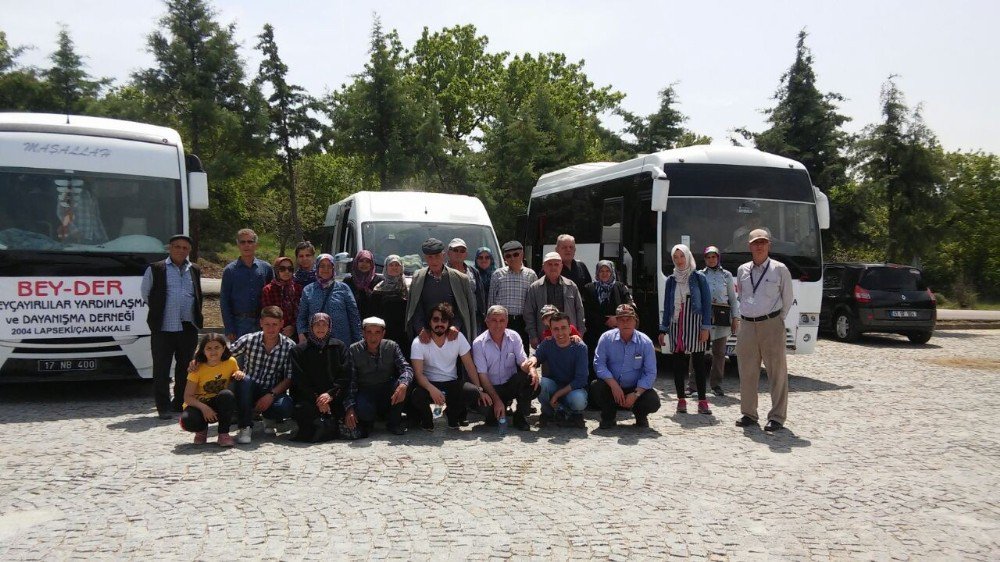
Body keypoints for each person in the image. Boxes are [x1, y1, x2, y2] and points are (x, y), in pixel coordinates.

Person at [734, 229, 794, 432]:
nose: (759, 246)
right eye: (755, 243)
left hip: (771, 324)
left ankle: (777, 416)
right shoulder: (742, 270)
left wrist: (776, 320)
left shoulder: (780, 269)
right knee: (747, 371)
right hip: (747, 325)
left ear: (769, 245)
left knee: (776, 372)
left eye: (763, 242)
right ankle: (749, 413)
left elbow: (787, 299)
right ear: (749, 246)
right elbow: (741, 296)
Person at [141, 233, 204, 418]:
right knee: (161, 368)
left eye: (185, 248)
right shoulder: (156, 269)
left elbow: (197, 294)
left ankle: (180, 403)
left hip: (188, 326)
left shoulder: (194, 269)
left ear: (189, 251)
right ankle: (163, 407)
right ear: (170, 248)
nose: (181, 250)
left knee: (186, 367)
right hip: (163, 327)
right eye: (177, 246)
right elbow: (146, 294)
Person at [409, 303, 490, 431]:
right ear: (429, 322)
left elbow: (469, 366)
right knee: (416, 394)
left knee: (473, 392)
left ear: (449, 323)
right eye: (435, 319)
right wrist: (432, 389)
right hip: (428, 383)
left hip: (451, 382)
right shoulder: (419, 342)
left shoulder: (458, 338)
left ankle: (451, 414)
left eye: (444, 320)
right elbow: (418, 374)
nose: (440, 324)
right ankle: (427, 418)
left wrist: (480, 389)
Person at [658, 244, 714, 415]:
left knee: (698, 363)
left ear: (688, 257)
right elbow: (668, 305)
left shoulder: (699, 278)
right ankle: (681, 399)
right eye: (676, 257)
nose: (679, 260)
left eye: (682, 256)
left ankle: (702, 401)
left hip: (695, 322)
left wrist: (706, 327)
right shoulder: (671, 280)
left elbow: (706, 304)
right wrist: (663, 329)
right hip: (677, 324)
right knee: (678, 364)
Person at [230, 306, 296, 445]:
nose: (271, 329)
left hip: (272, 391)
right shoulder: (249, 339)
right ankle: (245, 426)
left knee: (286, 406)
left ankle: (269, 417)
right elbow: (225, 355)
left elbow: (289, 378)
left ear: (281, 324)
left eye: (274, 324)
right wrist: (198, 360)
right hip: (248, 388)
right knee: (244, 380)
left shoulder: (289, 346)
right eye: (267, 324)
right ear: (261, 323)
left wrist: (271, 395)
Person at [592, 304, 661, 428]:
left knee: (653, 401)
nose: (625, 323)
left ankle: (640, 416)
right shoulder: (606, 338)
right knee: (596, 387)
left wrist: (636, 394)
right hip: (612, 386)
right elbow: (599, 364)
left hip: (635, 388)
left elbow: (650, 373)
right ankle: (608, 416)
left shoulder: (646, 342)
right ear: (616, 322)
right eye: (621, 319)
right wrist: (613, 385)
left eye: (629, 319)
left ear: (635, 321)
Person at [289, 312, 354, 442]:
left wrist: (329, 395)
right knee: (303, 411)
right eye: (317, 324)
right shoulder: (299, 350)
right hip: (309, 399)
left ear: (329, 327)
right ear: (311, 327)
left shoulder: (339, 346)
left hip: (334, 398)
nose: (320, 328)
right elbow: (299, 380)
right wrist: (318, 398)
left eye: (324, 324)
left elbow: (345, 374)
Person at [344, 317, 414, 436]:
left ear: (383, 334)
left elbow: (406, 368)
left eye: (377, 332)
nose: (373, 337)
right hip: (366, 389)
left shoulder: (392, 346)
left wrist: (403, 384)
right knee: (364, 410)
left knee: (404, 386)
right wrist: (349, 408)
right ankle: (369, 422)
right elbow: (351, 381)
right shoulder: (354, 350)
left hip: (387, 388)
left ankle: (394, 423)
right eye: (369, 332)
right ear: (363, 333)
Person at [471, 305, 536, 431]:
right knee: (487, 413)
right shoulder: (478, 343)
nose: (498, 324)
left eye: (502, 320)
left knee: (530, 380)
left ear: (507, 321)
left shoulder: (514, 336)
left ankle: (520, 416)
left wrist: (532, 370)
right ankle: (497, 410)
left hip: (509, 384)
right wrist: (497, 400)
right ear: (487, 321)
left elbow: (523, 361)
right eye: (494, 320)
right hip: (491, 387)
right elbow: (482, 376)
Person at [405, 238, 477, 344]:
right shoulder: (418, 277)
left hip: (452, 337)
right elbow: (416, 307)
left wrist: (455, 326)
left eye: (437, 256)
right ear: (425, 258)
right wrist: (421, 329)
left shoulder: (460, 278)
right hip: (427, 337)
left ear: (443, 255)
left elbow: (463, 309)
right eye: (430, 257)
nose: (434, 261)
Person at [524, 313, 589, 428]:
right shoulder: (548, 343)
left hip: (573, 389)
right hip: (554, 386)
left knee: (578, 400)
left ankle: (574, 413)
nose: (560, 333)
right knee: (542, 383)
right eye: (556, 329)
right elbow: (536, 356)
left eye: (563, 328)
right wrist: (532, 364)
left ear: (570, 329)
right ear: (551, 330)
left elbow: (581, 379)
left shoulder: (580, 347)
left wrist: (558, 395)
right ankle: (548, 412)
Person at [179, 333, 239, 447]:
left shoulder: (231, 362)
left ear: (224, 348)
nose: (213, 352)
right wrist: (204, 408)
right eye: (209, 348)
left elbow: (236, 373)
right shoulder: (196, 367)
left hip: (218, 402)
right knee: (188, 420)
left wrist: (239, 373)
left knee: (227, 395)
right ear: (203, 350)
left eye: (217, 347)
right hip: (198, 404)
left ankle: (223, 434)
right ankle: (201, 430)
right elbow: (187, 396)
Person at [220, 228, 274, 341]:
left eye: (250, 242)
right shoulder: (230, 271)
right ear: (238, 244)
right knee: (240, 358)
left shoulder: (266, 268)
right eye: (242, 242)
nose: (246, 245)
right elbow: (224, 301)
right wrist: (229, 327)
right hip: (239, 324)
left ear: (256, 244)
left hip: (262, 323)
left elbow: (272, 296)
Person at [297, 253, 362, 346]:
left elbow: (354, 316)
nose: (326, 269)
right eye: (322, 266)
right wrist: (302, 334)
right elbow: (301, 317)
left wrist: (358, 341)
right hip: (316, 343)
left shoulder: (343, 288)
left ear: (333, 268)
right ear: (317, 268)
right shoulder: (308, 290)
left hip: (341, 342)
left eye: (329, 266)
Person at [524, 252, 586, 349]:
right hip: (545, 337)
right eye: (550, 264)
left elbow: (579, 310)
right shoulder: (535, 288)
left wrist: (580, 333)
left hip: (569, 336)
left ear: (561, 266)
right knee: (548, 364)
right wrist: (533, 336)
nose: (553, 267)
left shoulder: (571, 286)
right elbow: (529, 313)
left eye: (556, 264)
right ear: (544, 266)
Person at [700, 245, 739, 396]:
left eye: (714, 257)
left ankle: (716, 384)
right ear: (705, 259)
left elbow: (733, 299)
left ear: (718, 258)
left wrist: (735, 317)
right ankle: (693, 385)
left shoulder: (727, 275)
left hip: (722, 318)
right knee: (698, 352)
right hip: (704, 319)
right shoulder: (700, 275)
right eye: (708, 257)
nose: (711, 260)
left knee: (719, 353)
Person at [582, 260, 635, 368]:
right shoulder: (589, 288)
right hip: (595, 333)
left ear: (612, 272)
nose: (604, 273)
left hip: (616, 332)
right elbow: (585, 310)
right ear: (597, 272)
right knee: (595, 361)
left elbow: (629, 305)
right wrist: (605, 320)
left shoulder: (620, 287)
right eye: (601, 271)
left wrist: (618, 318)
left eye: (607, 271)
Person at [489, 240, 537, 353]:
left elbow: (533, 303)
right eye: (508, 256)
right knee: (501, 353)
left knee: (521, 355)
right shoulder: (498, 274)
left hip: (522, 322)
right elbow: (491, 302)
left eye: (516, 254)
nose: (512, 258)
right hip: (502, 322)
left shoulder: (531, 275)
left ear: (522, 254)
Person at [370, 254, 409, 357]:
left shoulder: (408, 289)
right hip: (385, 334)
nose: (394, 268)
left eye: (397, 265)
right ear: (386, 268)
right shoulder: (378, 289)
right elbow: (374, 314)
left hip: (404, 334)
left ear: (402, 267)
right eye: (391, 265)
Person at [260, 256, 302, 341]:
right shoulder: (268, 290)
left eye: (290, 269)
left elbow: (301, 311)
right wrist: (280, 328)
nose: (286, 272)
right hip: (274, 333)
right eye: (282, 269)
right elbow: (268, 314)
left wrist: (293, 327)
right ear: (276, 270)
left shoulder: (298, 288)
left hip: (295, 333)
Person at [446, 238, 484, 331]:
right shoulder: (443, 272)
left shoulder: (473, 271)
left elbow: (480, 295)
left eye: (462, 251)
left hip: (473, 318)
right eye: (455, 250)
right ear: (448, 253)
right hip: (450, 319)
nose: (459, 253)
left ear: (466, 254)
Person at [344, 249, 383, 320]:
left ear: (371, 264)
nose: (364, 264)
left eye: (367, 261)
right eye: (361, 261)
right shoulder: (348, 281)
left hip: (372, 325)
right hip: (352, 322)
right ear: (356, 262)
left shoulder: (378, 281)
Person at [472, 247, 497, 332]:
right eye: (480, 257)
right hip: (476, 316)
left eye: (487, 257)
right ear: (476, 259)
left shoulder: (497, 275)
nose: (484, 260)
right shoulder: (471, 274)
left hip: (494, 315)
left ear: (491, 259)